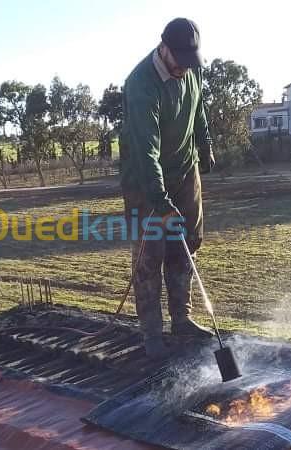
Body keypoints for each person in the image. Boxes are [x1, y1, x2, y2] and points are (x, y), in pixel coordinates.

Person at [120, 17, 216, 358]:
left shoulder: (190, 68)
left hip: (183, 168)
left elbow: (198, 107)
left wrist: (204, 143)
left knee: (187, 241)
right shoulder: (141, 83)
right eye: (179, 61)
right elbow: (146, 149)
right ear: (163, 48)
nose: (184, 70)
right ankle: (152, 334)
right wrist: (159, 201)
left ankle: (182, 320)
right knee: (150, 254)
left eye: (190, 63)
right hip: (145, 178)